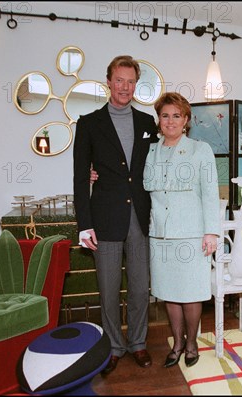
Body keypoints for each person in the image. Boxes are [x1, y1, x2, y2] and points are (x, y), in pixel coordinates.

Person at [73, 55, 159, 375]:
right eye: (119, 80)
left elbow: (156, 168)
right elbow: (80, 177)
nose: (125, 87)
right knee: (108, 289)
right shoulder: (89, 123)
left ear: (136, 84)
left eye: (131, 81)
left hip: (140, 217)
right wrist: (84, 225)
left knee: (139, 288)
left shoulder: (148, 123)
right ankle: (113, 345)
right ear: (108, 81)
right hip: (105, 217)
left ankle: (137, 343)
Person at [143, 92, 220, 369]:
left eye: (177, 115)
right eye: (165, 115)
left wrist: (211, 232)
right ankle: (176, 342)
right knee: (169, 292)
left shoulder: (201, 150)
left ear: (186, 120)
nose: (171, 121)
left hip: (192, 234)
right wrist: (96, 173)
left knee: (191, 292)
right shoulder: (150, 151)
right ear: (159, 119)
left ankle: (191, 343)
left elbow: (210, 194)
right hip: (160, 235)